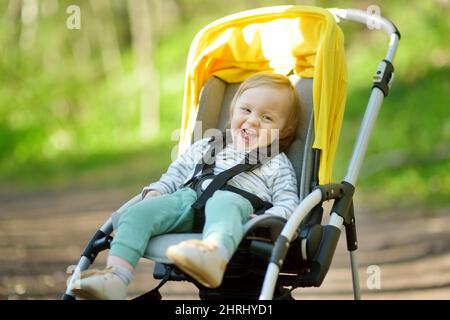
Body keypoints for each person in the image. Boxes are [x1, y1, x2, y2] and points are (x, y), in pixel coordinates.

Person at [69, 73, 301, 300]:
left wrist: (263, 219)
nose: (252, 120)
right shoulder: (208, 144)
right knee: (137, 212)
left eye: (267, 118)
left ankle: (213, 255)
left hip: (236, 214)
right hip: (188, 201)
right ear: (232, 111)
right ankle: (116, 278)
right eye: (246, 110)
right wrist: (158, 191)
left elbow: (289, 203)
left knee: (224, 200)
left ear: (285, 131)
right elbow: (176, 173)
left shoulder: (277, 163)